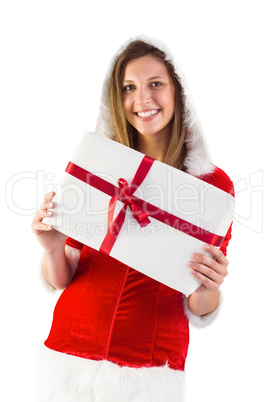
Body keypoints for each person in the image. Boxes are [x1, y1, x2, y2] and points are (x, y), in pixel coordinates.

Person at [32, 36, 234, 402]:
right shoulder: (99, 163)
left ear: (178, 92)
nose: (142, 99)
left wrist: (209, 287)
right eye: (129, 87)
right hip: (67, 357)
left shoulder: (213, 187)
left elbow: (199, 303)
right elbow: (64, 278)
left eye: (156, 84)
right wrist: (52, 249)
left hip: (149, 367)